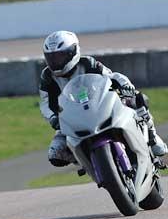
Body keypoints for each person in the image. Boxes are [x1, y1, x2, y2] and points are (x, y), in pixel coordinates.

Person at [39, 30, 167, 166]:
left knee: (137, 98)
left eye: (60, 56)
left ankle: (152, 139)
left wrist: (126, 86)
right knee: (55, 155)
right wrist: (53, 118)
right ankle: (87, 162)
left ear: (73, 52)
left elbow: (111, 76)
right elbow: (45, 103)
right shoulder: (46, 76)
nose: (55, 62)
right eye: (51, 58)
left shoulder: (88, 63)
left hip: (100, 105)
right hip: (71, 117)